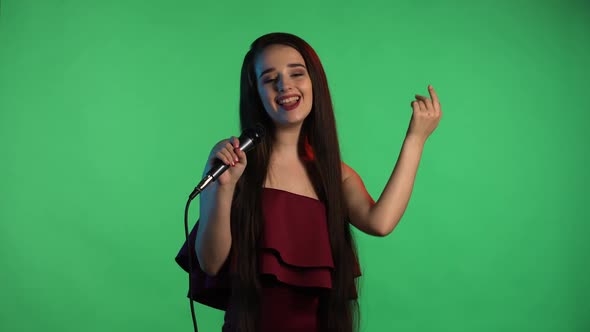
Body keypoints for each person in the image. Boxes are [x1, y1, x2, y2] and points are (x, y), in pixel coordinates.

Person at [176, 32, 442, 332]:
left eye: (296, 73)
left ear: (314, 82)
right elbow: (210, 263)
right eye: (269, 78)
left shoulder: (334, 175)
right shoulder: (234, 166)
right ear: (256, 94)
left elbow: (380, 222)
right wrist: (223, 188)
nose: (284, 85)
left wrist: (416, 139)